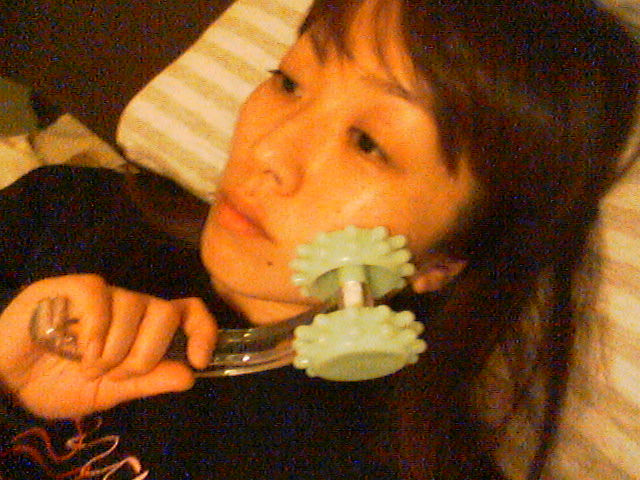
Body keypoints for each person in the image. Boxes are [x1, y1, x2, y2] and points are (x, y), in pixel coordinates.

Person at [0, 0, 638, 478]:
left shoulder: (382, 463)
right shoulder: (65, 210)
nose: (267, 149)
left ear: (444, 259)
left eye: (369, 143)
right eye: (288, 82)